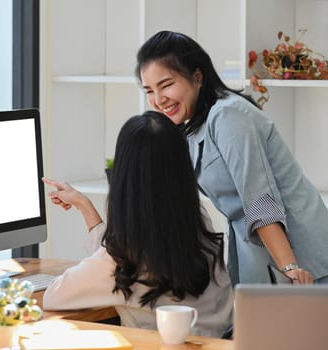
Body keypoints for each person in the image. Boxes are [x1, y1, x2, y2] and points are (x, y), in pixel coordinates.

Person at [135, 30, 328, 285]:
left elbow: (259, 199)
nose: (158, 100)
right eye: (149, 90)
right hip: (259, 252)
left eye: (167, 85)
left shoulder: (228, 115)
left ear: (197, 77)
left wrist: (289, 267)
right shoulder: (192, 128)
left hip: (300, 253)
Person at [42, 111, 233, 338]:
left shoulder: (122, 260)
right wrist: (85, 206)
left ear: (124, 178)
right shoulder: (197, 228)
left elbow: (54, 295)